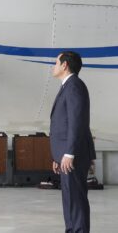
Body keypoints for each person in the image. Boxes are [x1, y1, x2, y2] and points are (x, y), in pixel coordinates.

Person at [50, 51, 96, 233]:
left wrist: (69, 153)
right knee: (70, 199)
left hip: (72, 155)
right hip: (66, 154)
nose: (53, 66)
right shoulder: (67, 86)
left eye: (56, 62)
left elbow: (77, 122)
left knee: (76, 200)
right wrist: (57, 156)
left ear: (64, 65)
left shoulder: (74, 86)